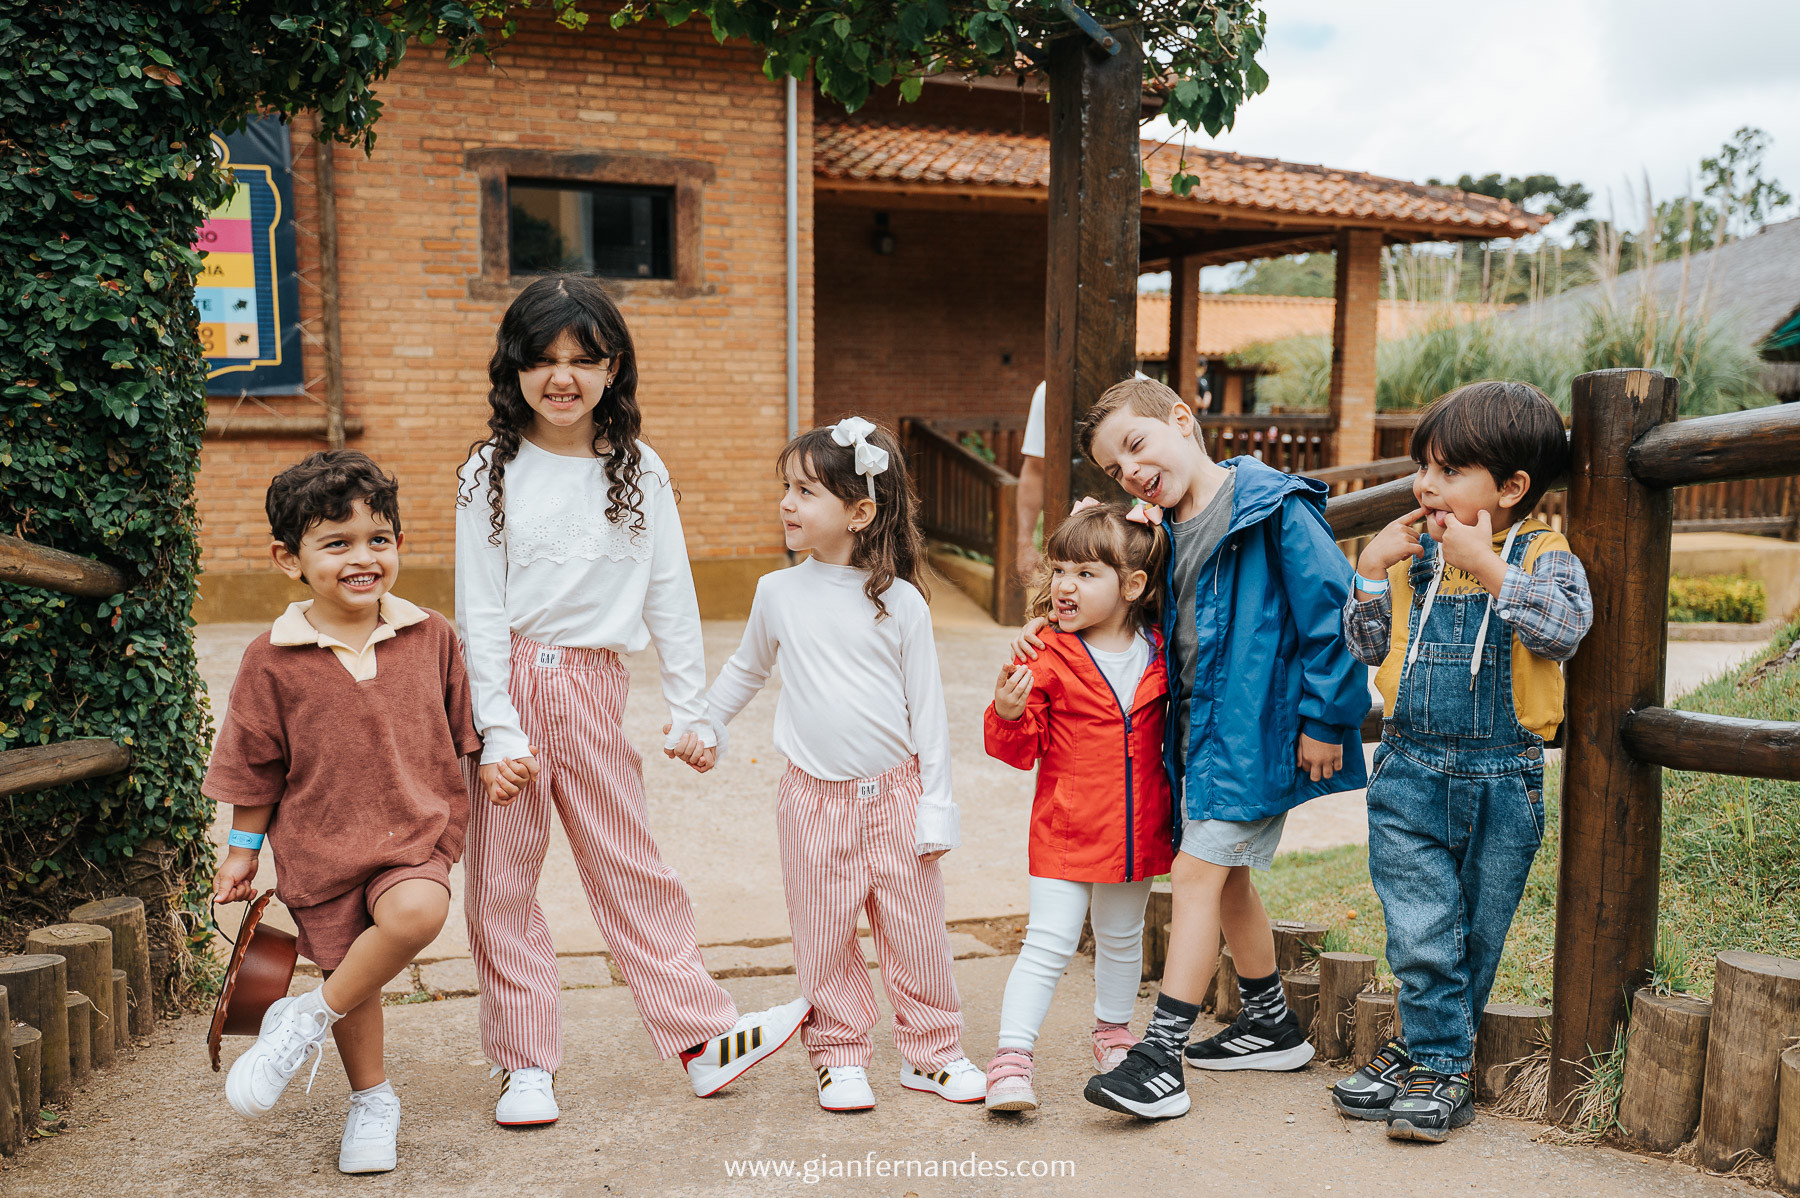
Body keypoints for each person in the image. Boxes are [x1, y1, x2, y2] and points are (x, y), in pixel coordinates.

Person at [455, 275, 808, 1128]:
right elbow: (480, 609)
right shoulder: (489, 470)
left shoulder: (638, 469)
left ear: (613, 368)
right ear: (514, 368)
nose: (562, 378)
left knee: (629, 863)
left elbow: (670, 593)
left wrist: (693, 709)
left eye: (583, 360)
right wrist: (497, 728)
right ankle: (524, 1064)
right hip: (507, 684)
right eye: (543, 360)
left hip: (593, 683)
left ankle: (702, 1040)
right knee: (502, 882)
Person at [1012, 376, 1369, 1120]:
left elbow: (1332, 613)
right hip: (1198, 743)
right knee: (1228, 878)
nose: (1130, 470)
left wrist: (1327, 721)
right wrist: (1051, 616)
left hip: (1255, 738)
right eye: (1114, 468)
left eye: (1136, 445)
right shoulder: (1164, 527)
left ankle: (1159, 1059)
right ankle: (1271, 1024)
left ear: (1181, 420)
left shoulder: (1272, 506)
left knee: (1196, 874)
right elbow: (1118, 599)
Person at [700, 417, 984, 1113]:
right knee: (824, 935)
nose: (787, 503)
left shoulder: (901, 602)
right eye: (786, 489)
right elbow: (747, 668)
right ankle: (839, 1054)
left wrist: (936, 803)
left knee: (915, 932)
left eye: (806, 492)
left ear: (859, 512)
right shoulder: (776, 593)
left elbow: (929, 712)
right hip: (812, 800)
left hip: (896, 795)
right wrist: (704, 721)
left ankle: (933, 1053)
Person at [209, 450, 481, 1175]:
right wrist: (241, 851)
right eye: (336, 543)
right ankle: (372, 1100)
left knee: (416, 915)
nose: (363, 558)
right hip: (319, 849)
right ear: (288, 559)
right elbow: (255, 768)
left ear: (398, 544)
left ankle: (304, 1016)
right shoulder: (270, 658)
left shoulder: (431, 634)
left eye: (378, 539)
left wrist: (504, 756)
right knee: (352, 975)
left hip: (414, 836)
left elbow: (468, 724)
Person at [1336, 381, 1590, 1143]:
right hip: (1408, 769)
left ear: (1511, 488)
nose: (1425, 485)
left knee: (1472, 933)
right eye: (1423, 467)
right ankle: (1443, 1065)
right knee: (1420, 926)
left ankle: (1424, 1052)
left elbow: (1562, 629)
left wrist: (1486, 564)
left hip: (1502, 777)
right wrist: (1368, 572)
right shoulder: (1416, 558)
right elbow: (1366, 647)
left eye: (1448, 471)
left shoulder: (1543, 555)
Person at [981, 498, 1174, 1114]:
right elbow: (1020, 748)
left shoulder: (1163, 649)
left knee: (1121, 938)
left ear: (1133, 586)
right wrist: (1007, 712)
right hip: (1065, 830)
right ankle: (1011, 1059)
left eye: (1086, 574)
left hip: (1137, 829)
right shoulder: (1045, 653)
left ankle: (1114, 1037)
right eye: (1060, 569)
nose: (1065, 585)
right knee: (1048, 942)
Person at [1015, 372, 1167, 577]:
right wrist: (1024, 542)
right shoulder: (1050, 391)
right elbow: (1035, 469)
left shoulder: (1145, 387)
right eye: (1115, 471)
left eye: (1136, 444)